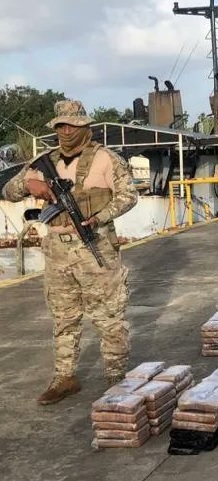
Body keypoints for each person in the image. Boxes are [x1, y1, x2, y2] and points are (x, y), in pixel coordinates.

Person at [1, 99, 139, 403]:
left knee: (108, 316)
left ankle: (116, 380)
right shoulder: (43, 161)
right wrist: (30, 183)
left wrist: (97, 218)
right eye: (61, 126)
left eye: (72, 126)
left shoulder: (106, 159)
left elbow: (129, 196)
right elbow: (9, 190)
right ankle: (65, 378)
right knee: (63, 317)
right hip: (57, 249)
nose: (66, 131)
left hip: (95, 244)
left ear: (84, 127)